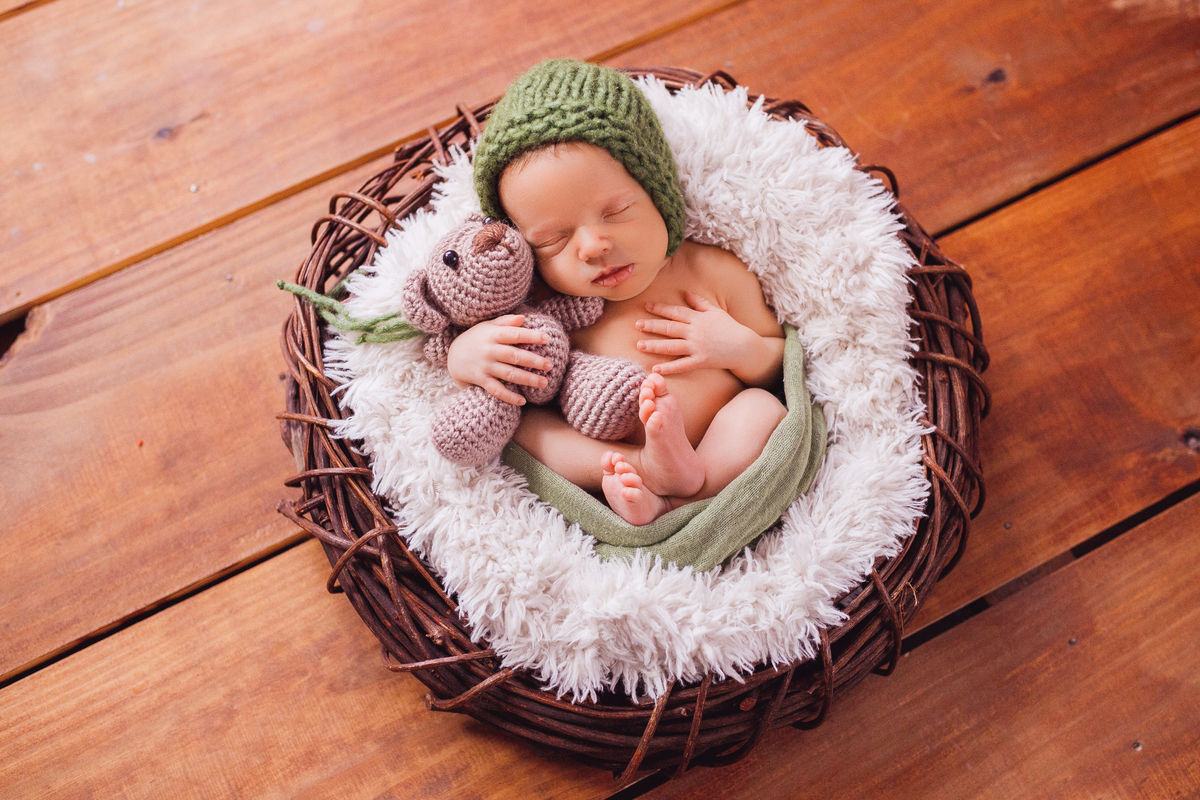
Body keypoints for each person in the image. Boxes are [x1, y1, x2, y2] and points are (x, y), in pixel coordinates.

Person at [447, 59, 787, 525]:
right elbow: (496, 372)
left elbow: (778, 365)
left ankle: (680, 500)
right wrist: (465, 356)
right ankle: (648, 470)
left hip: (714, 449)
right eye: (553, 240)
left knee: (761, 409)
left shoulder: (711, 269)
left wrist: (736, 346)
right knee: (522, 424)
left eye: (618, 210)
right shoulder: (545, 307)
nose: (592, 246)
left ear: (657, 191)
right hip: (608, 461)